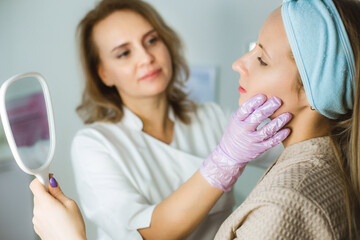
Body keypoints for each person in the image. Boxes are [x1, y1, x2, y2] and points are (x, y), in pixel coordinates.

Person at [31, 0, 360, 239]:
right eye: (124, 52)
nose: (146, 57)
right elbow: (153, 232)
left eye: (151, 40)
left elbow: (296, 148)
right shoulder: (95, 144)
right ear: (103, 73)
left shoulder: (212, 118)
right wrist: (225, 159)